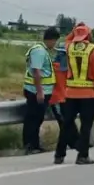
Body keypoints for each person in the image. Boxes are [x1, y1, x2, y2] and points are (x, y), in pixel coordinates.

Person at [53, 22, 94, 165]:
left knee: (66, 124)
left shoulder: (69, 47)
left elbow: (67, 39)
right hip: (88, 94)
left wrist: (74, 30)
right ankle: (82, 156)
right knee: (86, 125)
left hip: (70, 94)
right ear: (89, 35)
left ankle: (59, 155)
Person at [21, 27, 60, 155]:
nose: (55, 45)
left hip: (38, 90)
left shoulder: (42, 50)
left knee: (37, 119)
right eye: (55, 41)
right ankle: (30, 145)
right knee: (33, 118)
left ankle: (35, 144)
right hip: (36, 91)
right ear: (52, 40)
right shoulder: (39, 51)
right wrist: (40, 91)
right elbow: (36, 71)